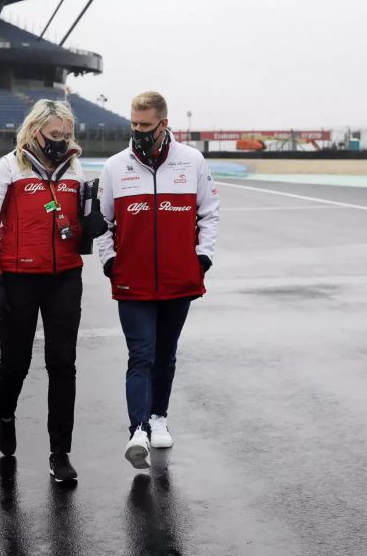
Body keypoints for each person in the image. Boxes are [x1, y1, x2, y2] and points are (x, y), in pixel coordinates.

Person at [0, 99, 107, 485]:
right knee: (16, 362)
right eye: (55, 135)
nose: (61, 142)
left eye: (66, 135)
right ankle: (4, 414)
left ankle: (59, 453)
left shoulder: (76, 168)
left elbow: (79, 225)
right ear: (35, 131)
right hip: (17, 279)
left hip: (65, 277)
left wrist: (91, 225)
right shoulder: (9, 167)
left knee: (63, 365)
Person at [96, 91, 219, 469]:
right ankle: (138, 431)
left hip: (178, 280)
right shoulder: (115, 166)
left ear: (164, 124)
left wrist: (202, 257)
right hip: (132, 281)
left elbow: (209, 214)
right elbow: (101, 223)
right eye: (133, 124)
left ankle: (159, 417)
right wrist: (110, 261)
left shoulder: (191, 161)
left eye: (145, 125)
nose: (138, 131)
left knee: (165, 354)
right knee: (141, 355)